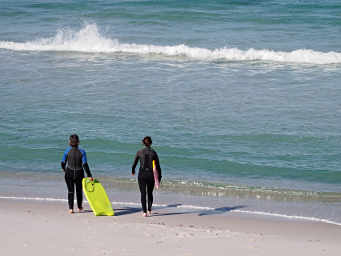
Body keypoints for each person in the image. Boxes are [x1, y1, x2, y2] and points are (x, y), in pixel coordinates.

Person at [61, 134, 93, 214]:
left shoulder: (67, 151)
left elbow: (62, 163)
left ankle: (71, 209)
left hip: (69, 172)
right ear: (78, 142)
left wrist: (65, 170)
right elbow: (85, 164)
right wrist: (89, 176)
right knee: (79, 191)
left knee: (70, 191)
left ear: (69, 142)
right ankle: (79, 207)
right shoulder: (82, 151)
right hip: (79, 173)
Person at [132, 136, 162, 217]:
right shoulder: (154, 152)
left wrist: (133, 170)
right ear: (151, 143)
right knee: (150, 193)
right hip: (151, 175)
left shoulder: (139, 151)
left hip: (142, 174)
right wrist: (159, 178)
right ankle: (149, 210)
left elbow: (134, 163)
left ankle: (144, 212)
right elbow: (158, 166)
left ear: (143, 143)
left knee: (143, 193)